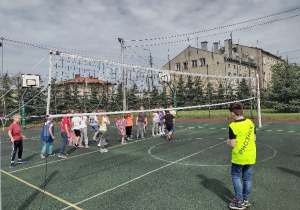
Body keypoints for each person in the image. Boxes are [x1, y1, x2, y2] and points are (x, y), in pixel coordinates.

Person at [227, 102, 256, 210]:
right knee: (247, 178)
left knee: (235, 176)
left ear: (233, 113)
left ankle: (239, 202)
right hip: (251, 154)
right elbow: (254, 138)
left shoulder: (233, 126)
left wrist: (228, 142)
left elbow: (232, 144)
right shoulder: (250, 123)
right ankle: (245, 200)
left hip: (239, 156)